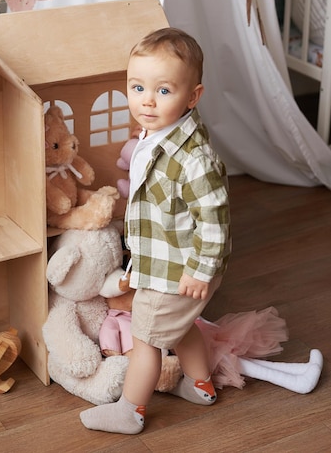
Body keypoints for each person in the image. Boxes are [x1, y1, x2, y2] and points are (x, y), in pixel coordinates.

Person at [80, 27, 232, 434]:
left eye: (163, 91)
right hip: (164, 259)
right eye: (137, 87)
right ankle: (201, 387)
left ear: (192, 97)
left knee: (147, 339)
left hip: (180, 268)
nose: (147, 100)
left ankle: (129, 410)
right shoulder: (157, 128)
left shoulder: (195, 158)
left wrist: (201, 270)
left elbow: (214, 218)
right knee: (182, 328)